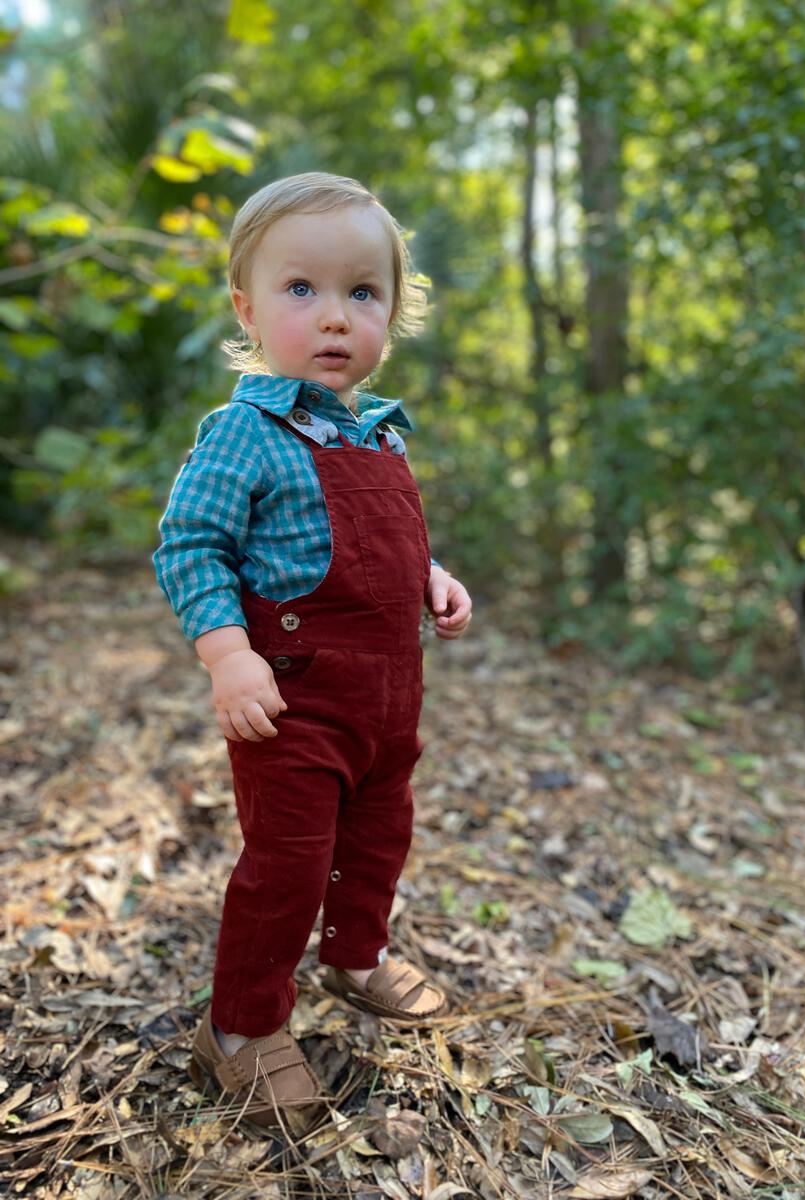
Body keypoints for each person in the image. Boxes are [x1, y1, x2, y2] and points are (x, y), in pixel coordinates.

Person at [152, 172, 472, 1133]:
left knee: (377, 840)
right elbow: (191, 543)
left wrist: (433, 578)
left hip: (387, 702)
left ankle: (356, 954)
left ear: (391, 312)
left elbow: (377, 545)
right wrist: (225, 654)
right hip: (288, 702)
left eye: (361, 293)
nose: (334, 317)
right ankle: (242, 1027)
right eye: (302, 291)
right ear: (248, 308)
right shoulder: (244, 433)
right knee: (289, 860)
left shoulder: (380, 437)